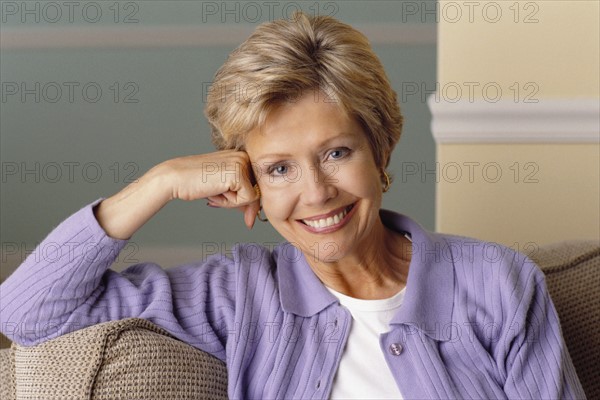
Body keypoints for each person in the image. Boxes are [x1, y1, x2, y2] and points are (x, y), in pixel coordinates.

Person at [0, 12, 585, 400]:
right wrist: (158, 182)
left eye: (336, 152)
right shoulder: (239, 294)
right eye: (279, 168)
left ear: (380, 147)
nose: (316, 192)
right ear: (250, 180)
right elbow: (27, 314)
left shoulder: (499, 284)